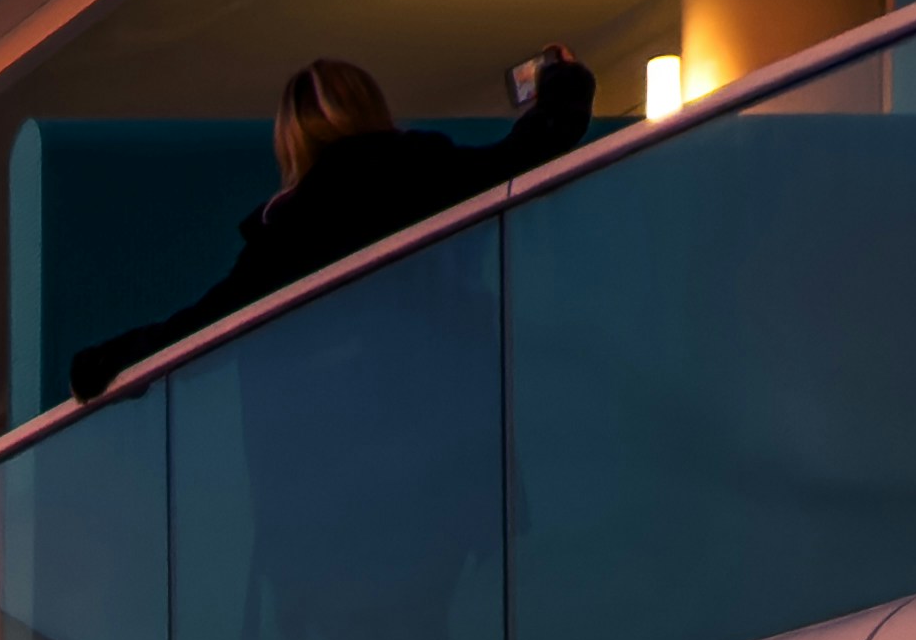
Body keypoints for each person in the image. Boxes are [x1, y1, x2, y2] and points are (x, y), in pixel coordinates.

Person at [67, 45, 601, 403]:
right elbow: (528, 151)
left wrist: (105, 362)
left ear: (292, 137)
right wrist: (561, 81)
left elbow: (203, 327)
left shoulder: (291, 227)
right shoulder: (425, 170)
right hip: (453, 430)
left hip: (336, 469)